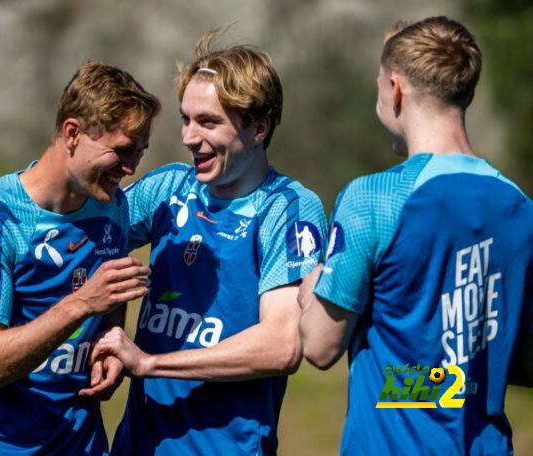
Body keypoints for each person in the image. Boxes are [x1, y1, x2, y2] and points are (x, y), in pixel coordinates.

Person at [298, 16, 533, 455]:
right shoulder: (520, 205)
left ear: (395, 87)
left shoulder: (373, 198)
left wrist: (313, 288)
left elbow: (319, 346)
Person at [85, 31, 328, 454]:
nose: (188, 137)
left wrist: (150, 364)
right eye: (186, 119)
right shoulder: (168, 189)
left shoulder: (287, 209)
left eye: (208, 122)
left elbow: (281, 344)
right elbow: (82, 237)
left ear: (258, 128)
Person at [0, 61, 160, 455]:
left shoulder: (111, 207)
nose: (130, 168)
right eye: (123, 151)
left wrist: (109, 339)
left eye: (140, 152)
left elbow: (106, 301)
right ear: (73, 133)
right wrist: (80, 304)